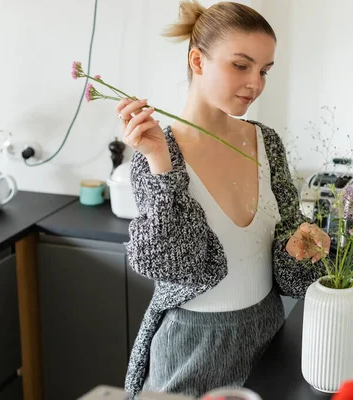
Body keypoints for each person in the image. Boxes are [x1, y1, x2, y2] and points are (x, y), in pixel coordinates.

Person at [116, 0, 331, 397]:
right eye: (241, 65)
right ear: (198, 61)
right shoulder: (156, 152)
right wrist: (163, 167)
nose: (256, 83)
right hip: (193, 347)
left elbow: (289, 266)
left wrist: (306, 246)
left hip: (269, 331)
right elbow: (171, 264)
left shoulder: (266, 141)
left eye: (264, 70)